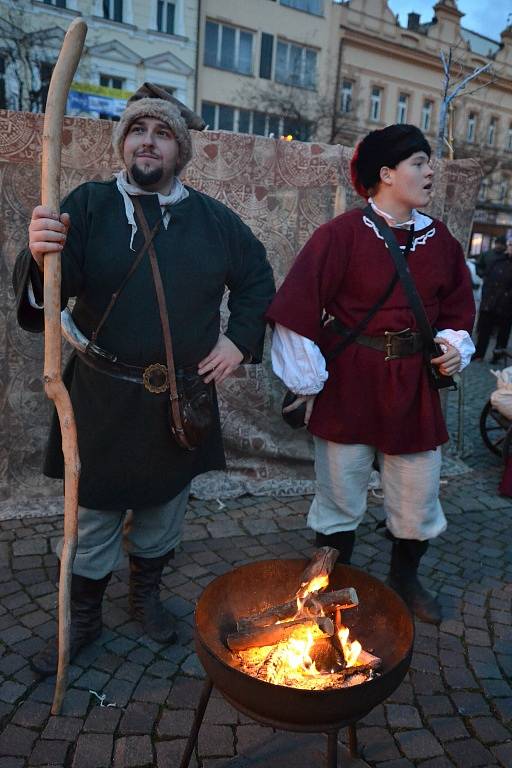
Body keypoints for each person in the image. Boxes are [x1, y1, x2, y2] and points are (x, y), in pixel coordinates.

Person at [13, 83, 275, 675]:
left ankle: (145, 597)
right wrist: (38, 252)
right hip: (102, 394)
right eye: (137, 131)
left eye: (162, 133)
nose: (148, 142)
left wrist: (238, 342)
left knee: (164, 508)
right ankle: (83, 619)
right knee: (96, 511)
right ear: (122, 143)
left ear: (180, 151)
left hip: (180, 399)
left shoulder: (214, 220)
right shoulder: (86, 205)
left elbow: (258, 279)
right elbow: (49, 296)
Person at [267, 124, 475, 625]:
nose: (430, 171)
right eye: (419, 163)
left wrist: (452, 346)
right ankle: (333, 582)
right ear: (386, 174)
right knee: (340, 492)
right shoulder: (338, 235)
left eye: (429, 163)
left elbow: (458, 308)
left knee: (416, 493)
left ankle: (405, 578)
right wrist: (308, 380)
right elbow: (295, 308)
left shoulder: (440, 239)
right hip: (351, 381)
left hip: (413, 386)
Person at [472, 237, 512, 363]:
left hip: (507, 306)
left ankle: (497, 356)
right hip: (490, 302)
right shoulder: (496, 260)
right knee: (484, 331)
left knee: (502, 334)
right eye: (510, 245)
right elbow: (485, 273)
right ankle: (479, 354)